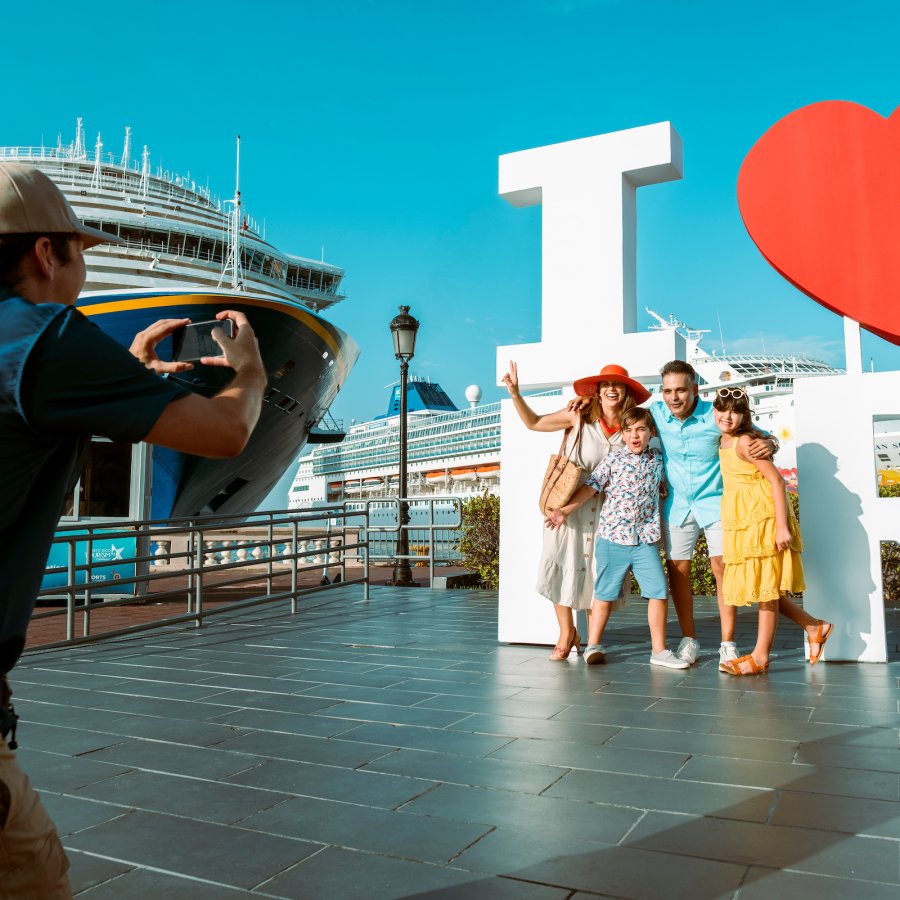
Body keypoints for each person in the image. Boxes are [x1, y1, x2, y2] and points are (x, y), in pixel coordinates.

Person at [0, 162, 267, 897]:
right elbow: (225, 431)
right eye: (82, 251)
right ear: (46, 254)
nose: (84, 269)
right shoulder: (41, 334)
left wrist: (122, 376)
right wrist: (251, 371)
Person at [502, 362, 650, 662]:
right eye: (605, 384)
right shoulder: (578, 416)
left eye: (617, 385)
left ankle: (594, 641)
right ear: (597, 390)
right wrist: (516, 393)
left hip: (612, 516)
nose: (611, 389)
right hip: (569, 508)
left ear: (626, 391)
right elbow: (534, 423)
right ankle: (566, 633)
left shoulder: (633, 424)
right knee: (562, 565)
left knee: (600, 576)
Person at [648, 360, 777, 671]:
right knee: (677, 572)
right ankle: (688, 639)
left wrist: (770, 442)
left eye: (680, 390)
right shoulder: (655, 412)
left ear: (694, 389)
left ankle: (727, 644)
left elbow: (761, 434)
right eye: (668, 390)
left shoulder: (714, 414)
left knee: (723, 570)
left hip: (717, 502)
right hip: (677, 505)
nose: (674, 397)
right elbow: (622, 421)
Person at [547, 408, 687, 669]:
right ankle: (594, 645)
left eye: (641, 429)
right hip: (613, 539)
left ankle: (659, 650)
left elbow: (666, 479)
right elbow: (591, 487)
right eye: (629, 430)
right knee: (604, 595)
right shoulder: (613, 460)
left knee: (658, 591)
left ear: (651, 433)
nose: (635, 435)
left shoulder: (658, 459)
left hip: (645, 539)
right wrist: (564, 512)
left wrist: (663, 485)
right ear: (622, 434)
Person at [713, 388, 833, 674]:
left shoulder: (744, 442)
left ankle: (760, 657)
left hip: (763, 518)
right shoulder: (724, 438)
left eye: (735, 411)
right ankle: (814, 626)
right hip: (744, 518)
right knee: (761, 585)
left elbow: (777, 481)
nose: (727, 416)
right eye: (722, 409)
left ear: (745, 415)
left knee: (766, 589)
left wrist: (781, 527)